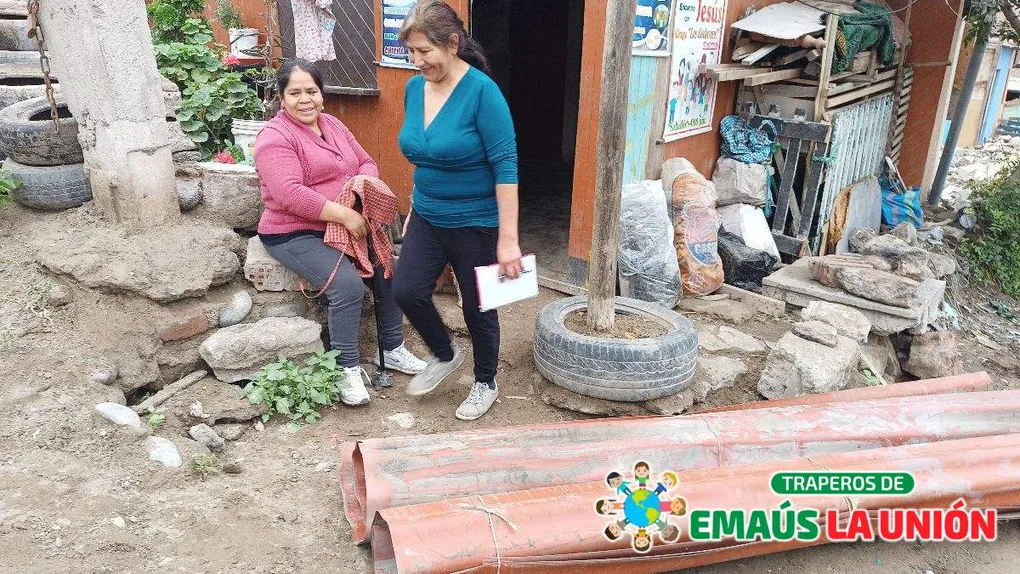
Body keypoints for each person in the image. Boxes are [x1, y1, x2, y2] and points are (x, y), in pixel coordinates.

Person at [253, 59, 427, 407]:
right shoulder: (274, 137)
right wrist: (345, 214)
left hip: (343, 222)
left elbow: (366, 163)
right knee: (347, 286)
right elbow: (289, 193)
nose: (305, 100)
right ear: (281, 98)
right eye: (295, 93)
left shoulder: (332, 124)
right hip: (294, 231)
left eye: (312, 91)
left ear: (322, 94)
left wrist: (360, 190)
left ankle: (391, 348)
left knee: (389, 267)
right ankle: (346, 368)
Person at [392, 0, 522, 421]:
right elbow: (424, 155)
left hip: (475, 220)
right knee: (406, 291)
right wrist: (415, 207)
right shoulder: (414, 90)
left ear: (452, 43)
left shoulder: (482, 92)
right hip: (428, 213)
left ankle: (486, 381)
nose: (417, 61)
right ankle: (445, 354)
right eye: (411, 52)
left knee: (478, 306)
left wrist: (508, 241)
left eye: (424, 51)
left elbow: (506, 165)